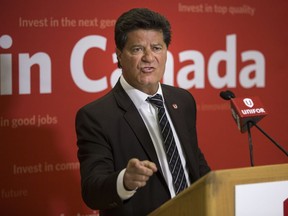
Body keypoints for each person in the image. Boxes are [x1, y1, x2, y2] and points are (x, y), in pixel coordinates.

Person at [75, 8, 211, 216]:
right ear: (119, 55)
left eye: (157, 48)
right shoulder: (96, 116)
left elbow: (194, 165)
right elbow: (92, 192)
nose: (149, 57)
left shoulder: (183, 101)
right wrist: (125, 181)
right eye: (137, 49)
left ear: (166, 52)